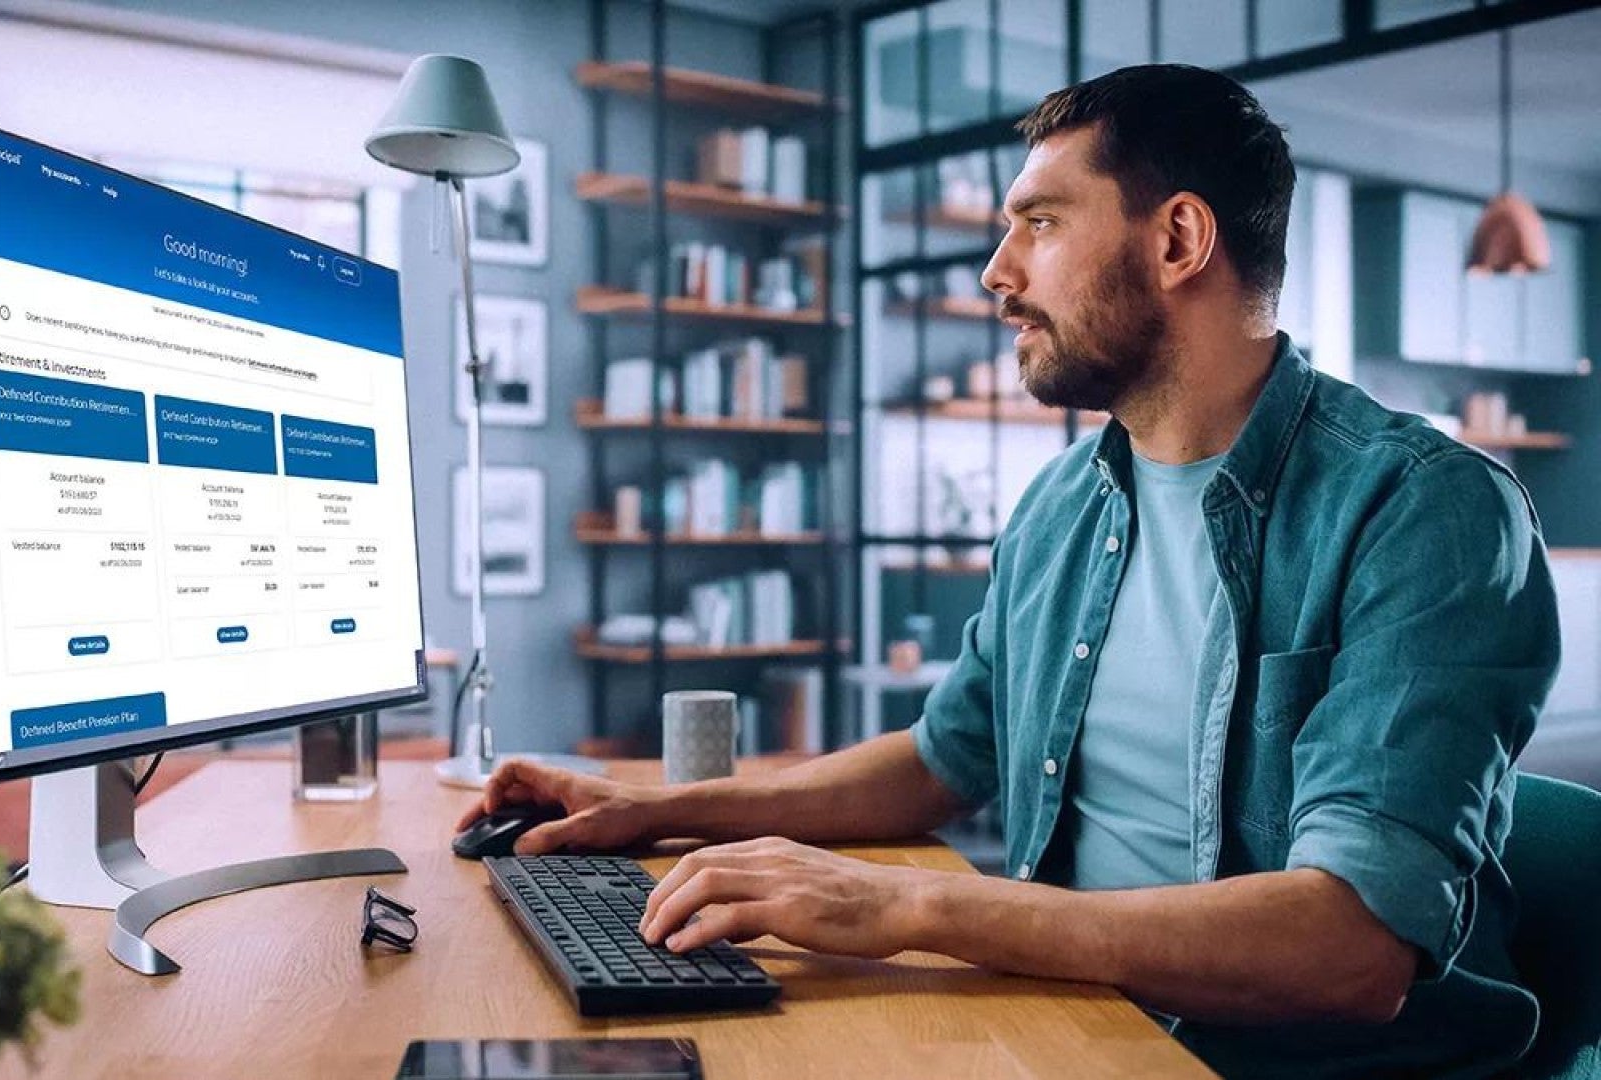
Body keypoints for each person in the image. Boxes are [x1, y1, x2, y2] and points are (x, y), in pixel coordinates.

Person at [456, 64, 1558, 1079]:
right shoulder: (1064, 504)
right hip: (1074, 1024)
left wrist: (912, 909)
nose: (997, 272)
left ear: (1179, 241)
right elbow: (946, 757)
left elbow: (1348, 948)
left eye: (1039, 222)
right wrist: (657, 814)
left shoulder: (1426, 510)